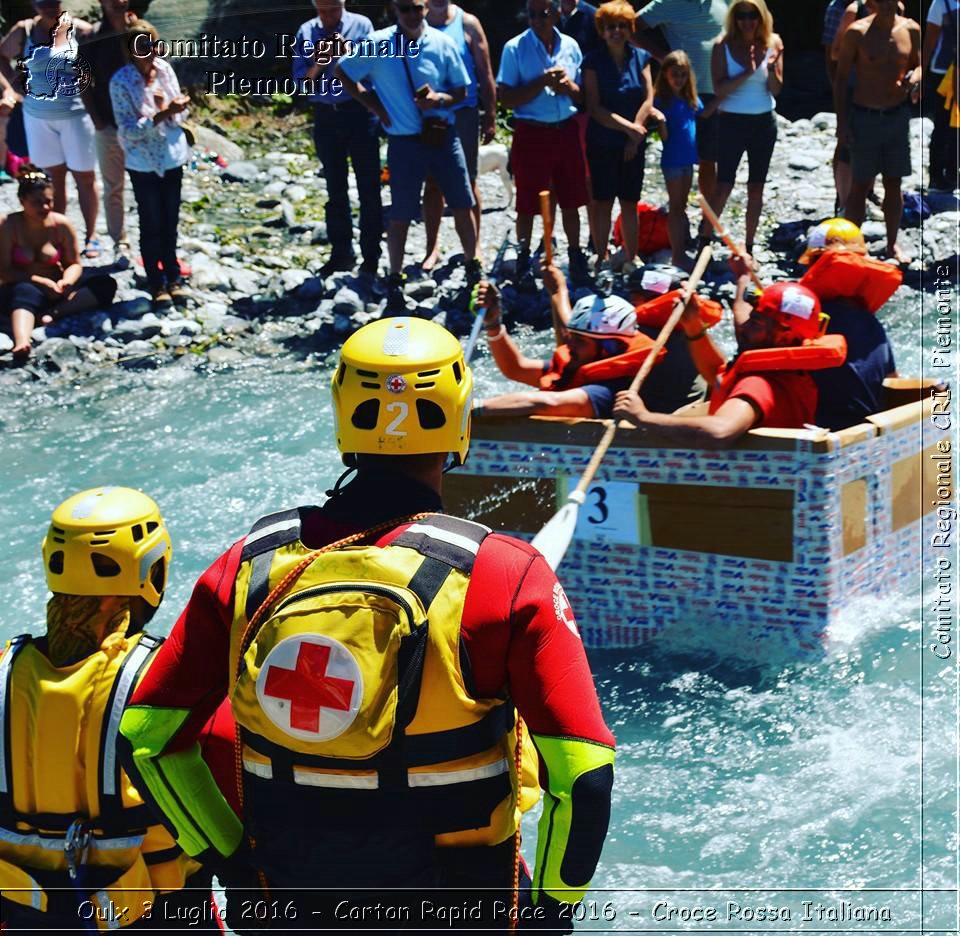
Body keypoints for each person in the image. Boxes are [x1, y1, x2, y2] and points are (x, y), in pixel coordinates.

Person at [119, 316, 616, 931]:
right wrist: (552, 913)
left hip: (288, 902)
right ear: (459, 421)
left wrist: (229, 859)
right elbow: (585, 775)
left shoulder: (249, 564)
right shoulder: (504, 574)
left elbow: (146, 737)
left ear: (343, 417)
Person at [0, 486, 226, 933]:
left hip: (27, 913)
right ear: (151, 571)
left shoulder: (4, 671)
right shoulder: (159, 680)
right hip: (151, 913)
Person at [337, 0, 481, 314]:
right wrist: (373, 106)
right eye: (406, 9)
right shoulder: (377, 44)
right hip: (403, 141)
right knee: (401, 213)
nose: (413, 15)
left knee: (462, 202)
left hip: (443, 135)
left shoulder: (442, 43)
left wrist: (438, 99)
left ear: (426, 8)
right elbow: (343, 71)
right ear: (395, 10)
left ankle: (474, 268)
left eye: (417, 8)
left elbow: (460, 90)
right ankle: (395, 278)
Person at [613, 273, 847, 447]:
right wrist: (693, 326)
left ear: (784, 334)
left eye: (755, 323)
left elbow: (720, 431)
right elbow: (717, 375)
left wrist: (643, 417)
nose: (744, 326)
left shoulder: (760, 383)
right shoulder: (790, 371)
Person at [476, 263, 665, 419]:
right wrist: (493, 324)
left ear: (608, 349)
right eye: (571, 336)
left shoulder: (609, 390)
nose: (569, 345)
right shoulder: (577, 363)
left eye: (580, 341)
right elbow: (515, 368)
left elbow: (546, 403)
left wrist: (471, 409)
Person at [497, 0, 590, 288]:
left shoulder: (571, 46)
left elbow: (582, 96)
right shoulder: (515, 48)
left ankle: (575, 257)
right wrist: (540, 83)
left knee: (572, 199)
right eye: (532, 14)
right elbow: (506, 98)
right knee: (527, 201)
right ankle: (524, 260)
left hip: (566, 130)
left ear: (556, 13)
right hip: (531, 131)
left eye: (543, 14)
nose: (537, 20)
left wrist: (568, 87)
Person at [0, 0, 100, 258]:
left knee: (85, 178)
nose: (49, 6)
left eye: (53, 1)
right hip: (38, 117)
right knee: (54, 178)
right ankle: (56, 234)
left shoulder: (80, 29)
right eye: (42, 2)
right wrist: (12, 86)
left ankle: (91, 237)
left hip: (77, 114)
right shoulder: (24, 31)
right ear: (33, 4)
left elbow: (102, 61)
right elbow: (2, 56)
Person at [292, 0, 381, 279]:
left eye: (333, 9)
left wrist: (347, 56)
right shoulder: (306, 32)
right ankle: (341, 253)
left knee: (369, 188)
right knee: (335, 188)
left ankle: (371, 256)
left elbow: (375, 74)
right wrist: (320, 62)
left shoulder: (362, 26)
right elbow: (300, 85)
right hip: (326, 115)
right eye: (323, 10)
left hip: (359, 113)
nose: (328, 16)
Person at [110, 20, 191, 309]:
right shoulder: (120, 81)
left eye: (153, 44)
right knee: (151, 221)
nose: (150, 51)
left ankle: (174, 277)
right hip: (143, 161)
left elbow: (179, 117)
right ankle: (155, 282)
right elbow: (127, 130)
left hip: (171, 155)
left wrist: (176, 109)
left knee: (170, 221)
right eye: (142, 46)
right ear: (130, 49)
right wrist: (160, 114)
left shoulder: (165, 70)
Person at [633, 0, 728, 244]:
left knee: (709, 160)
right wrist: (664, 57)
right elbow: (631, 26)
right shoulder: (666, 3)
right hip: (682, 94)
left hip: (716, 92)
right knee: (680, 158)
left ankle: (708, 223)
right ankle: (680, 225)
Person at [0, 166, 116, 362]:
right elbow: (4, 270)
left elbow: (74, 263)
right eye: (37, 202)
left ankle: (51, 314)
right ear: (22, 202)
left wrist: (66, 281)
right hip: (24, 285)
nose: (44, 207)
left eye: (48, 202)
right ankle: (22, 341)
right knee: (24, 292)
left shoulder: (61, 224)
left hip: (57, 287)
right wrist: (40, 282)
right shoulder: (9, 225)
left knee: (105, 284)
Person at [835, 0, 920, 266]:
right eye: (879, 0)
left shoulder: (911, 30)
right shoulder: (857, 32)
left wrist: (915, 78)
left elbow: (918, 66)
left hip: (897, 116)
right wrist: (842, 123)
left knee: (894, 183)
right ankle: (853, 247)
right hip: (864, 116)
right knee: (860, 184)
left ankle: (892, 244)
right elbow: (840, 79)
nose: (884, 5)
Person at [798, 218, 900, 430]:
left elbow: (751, 346)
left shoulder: (807, 319)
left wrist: (743, 278)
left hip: (821, 432)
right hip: (865, 431)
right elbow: (893, 382)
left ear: (815, 265)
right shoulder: (872, 323)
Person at [421, 0, 496, 273]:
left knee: (468, 180)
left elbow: (485, 71)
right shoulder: (417, 20)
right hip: (428, 116)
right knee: (432, 184)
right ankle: (432, 248)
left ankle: (473, 247)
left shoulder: (467, 23)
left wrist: (490, 114)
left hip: (462, 112)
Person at [583, 1, 657, 275]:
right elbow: (594, 107)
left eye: (622, 26)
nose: (616, 31)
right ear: (602, 30)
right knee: (602, 201)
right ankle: (601, 256)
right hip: (602, 141)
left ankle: (631, 256)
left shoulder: (641, 57)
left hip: (632, 144)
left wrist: (635, 136)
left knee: (629, 200)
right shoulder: (592, 61)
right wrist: (630, 130)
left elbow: (648, 98)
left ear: (630, 29)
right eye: (610, 26)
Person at [707, 0, 783, 263]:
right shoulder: (722, 45)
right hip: (731, 121)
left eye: (752, 15)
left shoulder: (774, 42)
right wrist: (749, 71)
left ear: (761, 17)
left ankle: (749, 245)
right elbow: (719, 89)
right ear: (734, 18)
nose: (747, 21)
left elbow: (776, 89)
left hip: (763, 122)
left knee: (756, 187)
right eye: (741, 15)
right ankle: (705, 238)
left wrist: (771, 69)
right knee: (723, 184)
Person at [80, 0, 135, 266]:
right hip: (108, 124)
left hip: (142, 125)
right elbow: (81, 80)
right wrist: (97, 120)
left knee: (149, 185)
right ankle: (120, 241)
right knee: (114, 187)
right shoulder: (91, 36)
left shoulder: (139, 30)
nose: (117, 2)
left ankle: (154, 240)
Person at [625, 262, 715, 412]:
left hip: (654, 420)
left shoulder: (638, 336)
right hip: (692, 413)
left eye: (634, 297)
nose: (630, 301)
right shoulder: (695, 332)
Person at [653, 50, 703, 269]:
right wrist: (661, 121)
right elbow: (663, 137)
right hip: (672, 159)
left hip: (688, 159)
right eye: (675, 75)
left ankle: (682, 245)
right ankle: (677, 254)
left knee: (682, 204)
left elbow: (702, 114)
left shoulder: (689, 97)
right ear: (665, 74)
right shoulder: (661, 100)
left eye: (683, 75)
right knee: (675, 206)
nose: (679, 80)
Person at [916, 0, 959, 192]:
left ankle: (953, 173)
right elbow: (930, 42)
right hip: (943, 74)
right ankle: (935, 176)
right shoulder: (940, 3)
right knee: (943, 125)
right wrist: (921, 74)